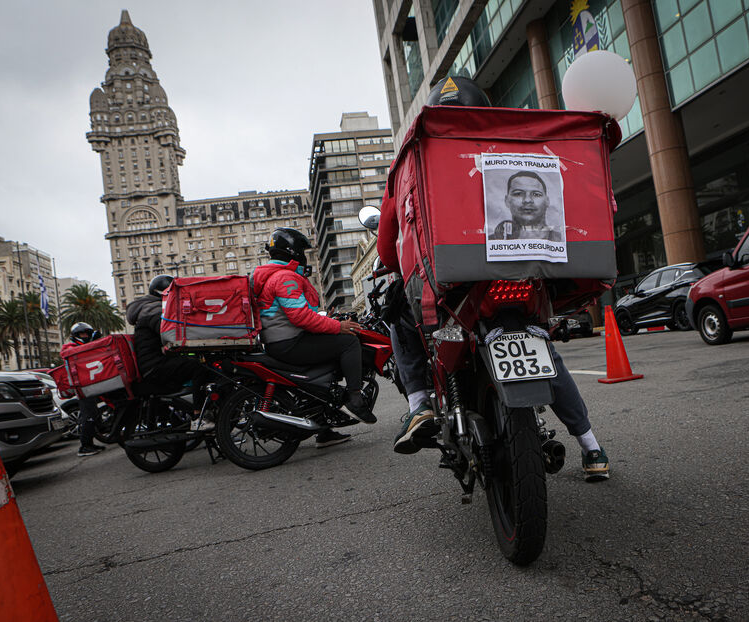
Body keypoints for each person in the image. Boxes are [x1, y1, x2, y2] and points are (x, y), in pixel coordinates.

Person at [377, 75, 609, 481]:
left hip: (445, 282)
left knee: (397, 314)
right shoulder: (519, 142)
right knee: (546, 355)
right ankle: (591, 445)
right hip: (529, 274)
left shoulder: (411, 157)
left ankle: (419, 405)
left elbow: (386, 245)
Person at [251, 228, 376, 444]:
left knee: (327, 363)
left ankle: (324, 428)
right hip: (289, 343)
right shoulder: (284, 277)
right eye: (302, 251)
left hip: (280, 341)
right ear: (293, 251)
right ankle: (355, 400)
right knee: (348, 342)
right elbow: (301, 317)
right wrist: (338, 327)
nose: (304, 256)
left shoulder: (273, 275)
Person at [126, 274, 215, 432]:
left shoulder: (149, 308)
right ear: (163, 293)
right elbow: (169, 333)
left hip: (154, 363)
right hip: (155, 367)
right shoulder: (152, 309)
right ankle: (197, 418)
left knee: (195, 365)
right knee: (198, 368)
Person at [61, 322, 106, 457]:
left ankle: (91, 443)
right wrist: (91, 343)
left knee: (94, 413)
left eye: (87, 333)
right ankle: (84, 446)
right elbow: (72, 354)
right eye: (82, 334)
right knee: (88, 415)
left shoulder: (83, 346)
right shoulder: (69, 347)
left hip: (90, 383)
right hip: (81, 386)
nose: (85, 336)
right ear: (75, 336)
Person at [488, 171, 563, 241]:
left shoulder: (561, 240)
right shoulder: (491, 241)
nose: (527, 200)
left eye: (536, 194)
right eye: (518, 194)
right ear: (507, 200)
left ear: (547, 201)